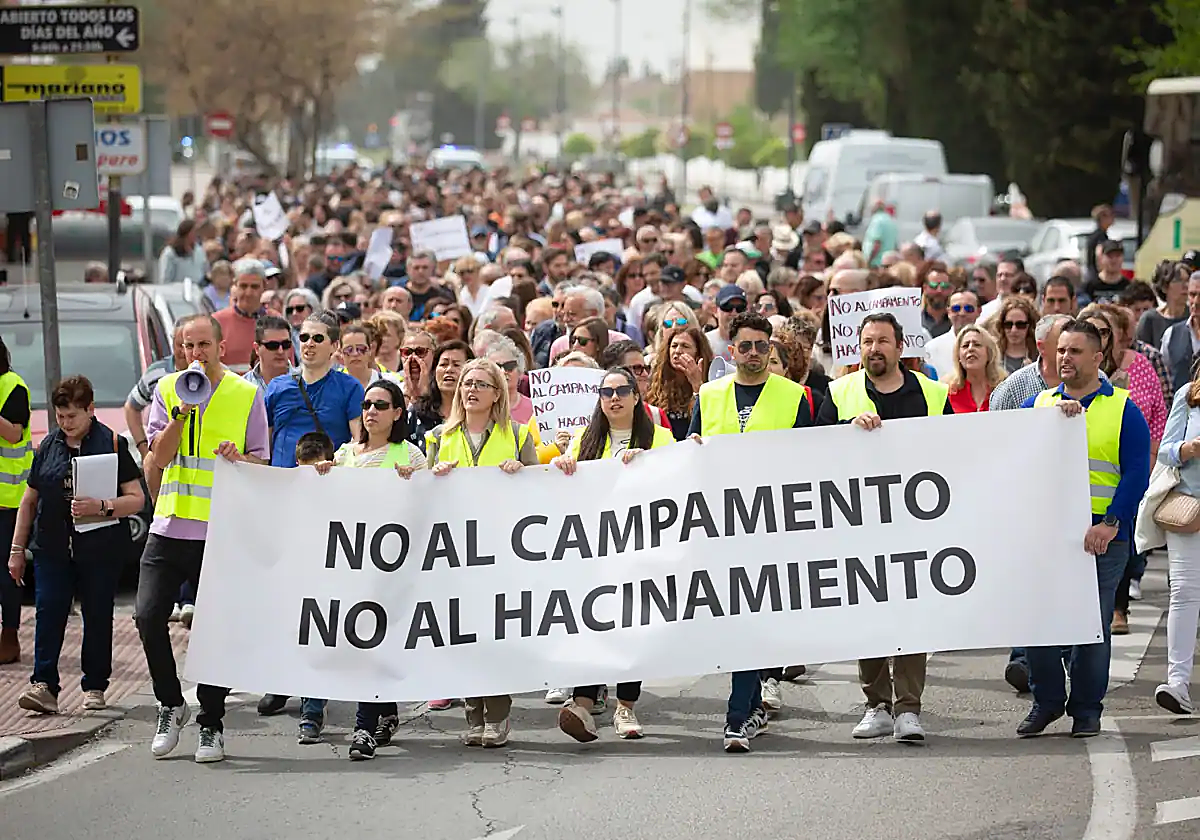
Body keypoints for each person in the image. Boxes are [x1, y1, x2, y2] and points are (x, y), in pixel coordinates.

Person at [135, 313, 269, 763]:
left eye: (203, 345)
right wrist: (180, 416)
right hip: (170, 526)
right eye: (188, 347)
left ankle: (211, 722)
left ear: (220, 345)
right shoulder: (168, 389)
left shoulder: (246, 394)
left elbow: (263, 463)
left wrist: (240, 457)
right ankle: (171, 702)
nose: (196, 354)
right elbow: (159, 455)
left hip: (221, 532)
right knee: (147, 615)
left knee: (216, 630)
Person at [819, 312, 953, 744]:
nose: (873, 348)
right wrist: (846, 430)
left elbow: (959, 447)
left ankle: (908, 708)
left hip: (916, 521)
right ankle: (876, 704)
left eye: (882, 341)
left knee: (913, 613)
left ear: (900, 347)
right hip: (859, 523)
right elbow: (810, 448)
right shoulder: (839, 393)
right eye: (867, 341)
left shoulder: (932, 394)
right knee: (870, 612)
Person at [688, 312, 817, 753]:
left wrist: (857, 427)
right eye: (746, 346)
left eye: (764, 346)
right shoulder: (709, 396)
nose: (756, 354)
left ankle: (738, 716)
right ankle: (750, 703)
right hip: (721, 526)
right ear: (731, 350)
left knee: (752, 619)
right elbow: (688, 455)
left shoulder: (795, 396)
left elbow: (820, 455)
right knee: (740, 623)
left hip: (774, 524)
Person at [1016, 321, 1150, 738]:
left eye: (1075, 351)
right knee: (1038, 621)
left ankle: (1086, 709)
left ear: (1097, 358)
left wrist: (1110, 524)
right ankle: (1048, 702)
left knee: (1091, 626)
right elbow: (1012, 459)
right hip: (1046, 530)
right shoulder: (1037, 405)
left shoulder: (1122, 408)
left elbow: (1135, 474)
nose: (1065, 358)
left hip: (1102, 535)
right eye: (1061, 351)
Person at [551, 366, 676, 743]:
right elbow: (553, 479)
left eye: (623, 390)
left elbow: (679, 480)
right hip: (596, 550)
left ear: (637, 397)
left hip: (642, 548)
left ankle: (625, 706)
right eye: (607, 393)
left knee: (631, 625)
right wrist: (562, 465)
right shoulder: (582, 441)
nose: (615, 398)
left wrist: (652, 465)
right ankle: (583, 704)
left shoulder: (661, 438)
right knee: (594, 623)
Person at [8, 376, 143, 714]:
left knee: (97, 615)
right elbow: (29, 500)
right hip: (52, 548)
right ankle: (43, 685)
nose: (66, 424)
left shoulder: (111, 443)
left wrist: (102, 507)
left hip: (100, 549)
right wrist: (16, 549)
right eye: (60, 416)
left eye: (72, 416)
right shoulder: (49, 446)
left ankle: (95, 685)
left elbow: (137, 499)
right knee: (48, 611)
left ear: (90, 410)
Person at [306, 380, 426, 760]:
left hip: (390, 569)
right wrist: (320, 476)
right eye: (366, 404)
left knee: (372, 645)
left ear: (397, 413)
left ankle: (363, 728)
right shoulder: (343, 456)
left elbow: (430, 509)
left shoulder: (409, 455)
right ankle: (382, 712)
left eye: (380, 404)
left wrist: (416, 484)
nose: (370, 411)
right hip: (350, 564)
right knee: (361, 646)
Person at [427, 358, 539, 748]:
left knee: (495, 635)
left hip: (502, 550)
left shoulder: (519, 434)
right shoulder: (439, 436)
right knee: (463, 634)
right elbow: (423, 495)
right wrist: (434, 475)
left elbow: (542, 493)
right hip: (456, 550)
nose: (471, 389)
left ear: (497, 394)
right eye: (466, 383)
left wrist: (521, 472)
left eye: (480, 384)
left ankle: (498, 713)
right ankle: (472, 712)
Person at [1154, 368, 1200, 715]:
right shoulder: (1189, 394)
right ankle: (1178, 683)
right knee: (1183, 592)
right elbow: (1165, 451)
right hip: (1189, 507)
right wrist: (1185, 448)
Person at [264, 315, 364, 469]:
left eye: (318, 338)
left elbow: (359, 443)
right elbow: (264, 445)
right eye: (304, 338)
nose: (309, 344)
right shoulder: (277, 386)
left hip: (327, 483)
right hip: (281, 484)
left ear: (334, 345)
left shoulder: (350, 387)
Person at [0, 336, 31, 665]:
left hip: (7, 500)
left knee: (6, 572)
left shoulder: (13, 386)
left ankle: (9, 636)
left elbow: (13, 433)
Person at [944, 324, 1006, 413]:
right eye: (965, 345)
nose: (970, 349)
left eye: (977, 345)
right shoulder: (947, 392)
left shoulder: (1003, 388)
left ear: (989, 353)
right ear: (959, 356)